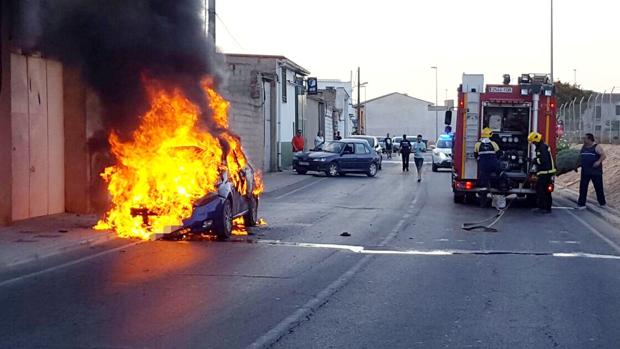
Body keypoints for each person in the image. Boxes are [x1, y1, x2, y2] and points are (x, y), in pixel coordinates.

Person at [528, 132, 556, 214]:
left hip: (545, 173)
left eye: (533, 142)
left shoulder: (542, 148)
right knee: (544, 190)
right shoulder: (542, 147)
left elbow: (543, 160)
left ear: (536, 140)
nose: (533, 144)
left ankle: (544, 207)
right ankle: (545, 207)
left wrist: (534, 160)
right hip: (545, 172)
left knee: (542, 190)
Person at [577, 133, 607, 209]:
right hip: (585, 171)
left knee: (598, 187)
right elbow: (580, 156)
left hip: (595, 172)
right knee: (583, 187)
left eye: (585, 138)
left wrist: (598, 162)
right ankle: (581, 204)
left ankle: (602, 203)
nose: (583, 140)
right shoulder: (583, 147)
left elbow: (603, 155)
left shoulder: (596, 147)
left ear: (590, 139)